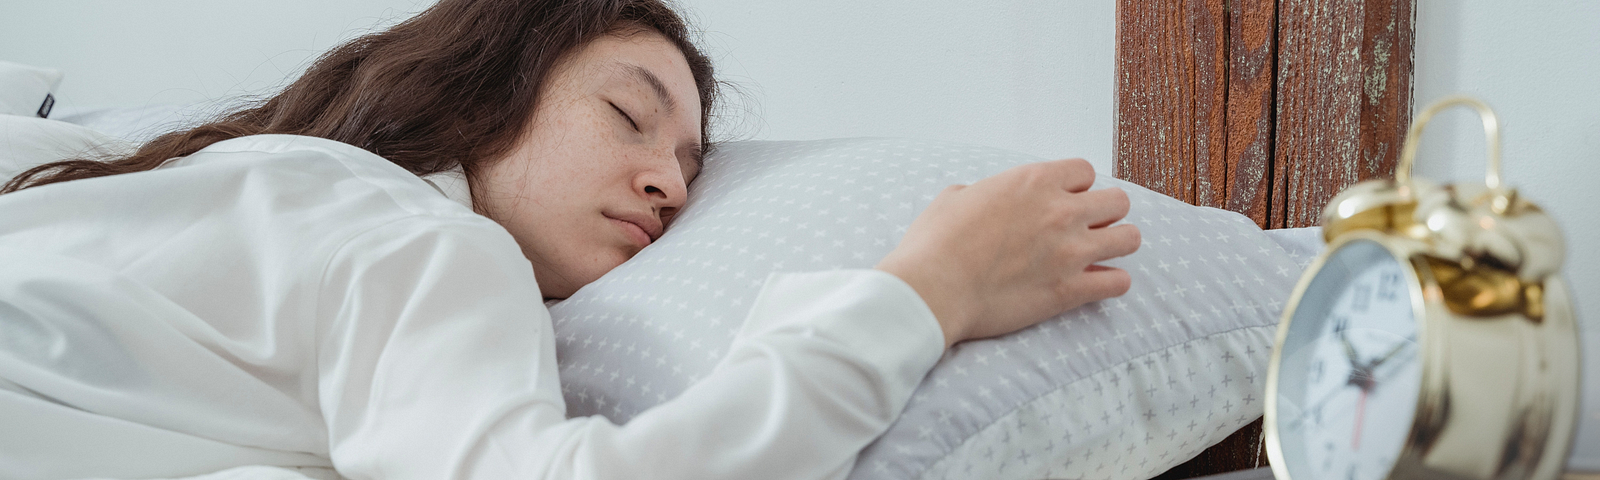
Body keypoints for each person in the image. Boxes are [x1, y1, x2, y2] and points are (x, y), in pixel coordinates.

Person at [0, 0, 1140, 478]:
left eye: (692, 173)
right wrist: (922, 293)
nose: (665, 183)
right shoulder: (413, 239)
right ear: (485, 80)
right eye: (628, 115)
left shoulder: (226, 183)